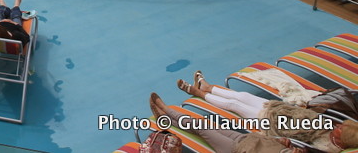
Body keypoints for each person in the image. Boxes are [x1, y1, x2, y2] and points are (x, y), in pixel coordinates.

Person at [149, 91, 357, 153]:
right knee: (207, 126)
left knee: (202, 128)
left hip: (237, 149)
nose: (338, 126)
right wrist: (285, 144)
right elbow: (287, 144)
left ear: (342, 137)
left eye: (340, 129)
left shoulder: (327, 147)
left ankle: (165, 112)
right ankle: (166, 114)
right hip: (251, 138)